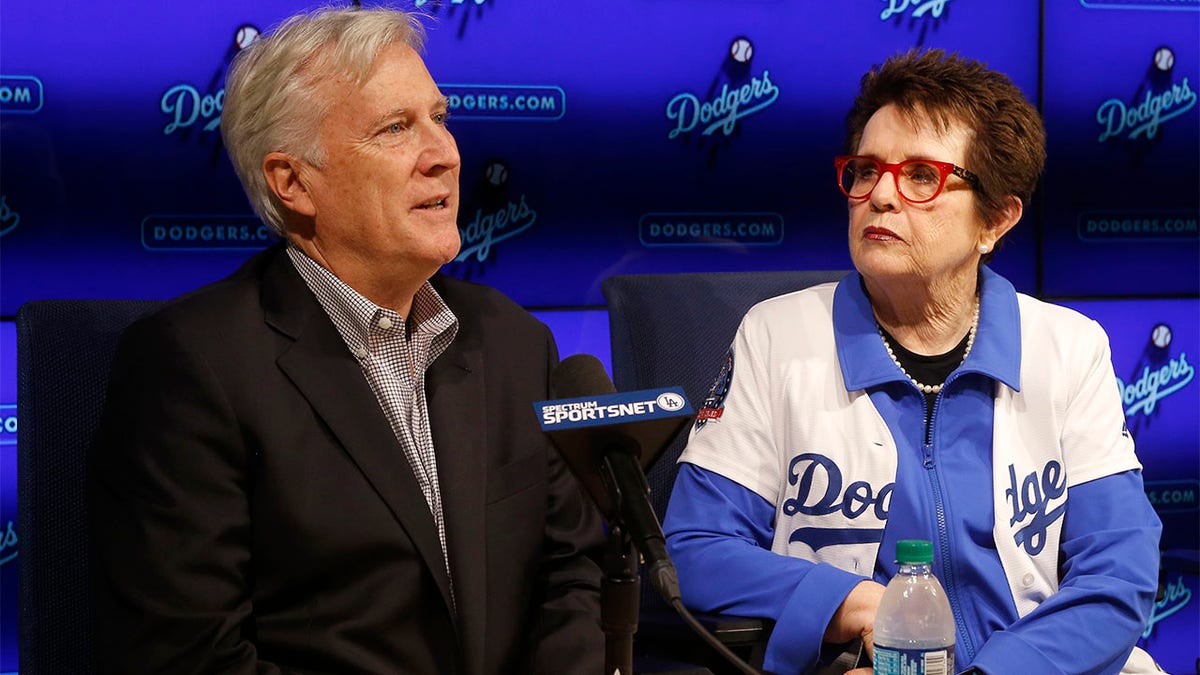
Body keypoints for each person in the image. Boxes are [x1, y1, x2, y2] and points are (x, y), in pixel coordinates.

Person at [89, 6, 605, 674]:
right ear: (293, 182)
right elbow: (191, 654)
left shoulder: (512, 341)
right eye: (396, 128)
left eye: (440, 119)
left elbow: (569, 578)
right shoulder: (191, 367)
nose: (443, 155)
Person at [663, 49, 1163, 675]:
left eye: (921, 176)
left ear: (997, 219)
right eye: (866, 170)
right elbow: (694, 549)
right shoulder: (776, 338)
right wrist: (849, 602)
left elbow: (1118, 575)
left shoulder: (1069, 347)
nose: (881, 197)